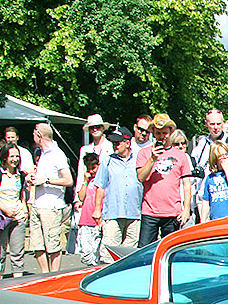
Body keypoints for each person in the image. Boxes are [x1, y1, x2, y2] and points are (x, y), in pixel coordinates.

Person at [135, 113, 191, 246]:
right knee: (144, 250)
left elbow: (186, 184)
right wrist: (152, 159)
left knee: (171, 248)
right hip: (150, 211)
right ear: (153, 133)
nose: (162, 137)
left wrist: (186, 209)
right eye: (158, 133)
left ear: (171, 132)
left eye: (165, 133)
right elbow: (141, 177)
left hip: (172, 212)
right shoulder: (144, 153)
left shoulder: (181, 155)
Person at [26, 122, 73, 273]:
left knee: (52, 245)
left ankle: (54, 276)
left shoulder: (57, 154)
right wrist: (32, 178)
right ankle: (44, 275)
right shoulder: (40, 153)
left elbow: (68, 180)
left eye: (34, 134)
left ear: (39, 134)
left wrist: (45, 181)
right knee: (37, 245)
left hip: (52, 206)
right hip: (37, 204)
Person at [93, 125, 144, 259]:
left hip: (134, 212)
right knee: (109, 250)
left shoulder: (139, 159)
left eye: (118, 142)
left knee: (130, 252)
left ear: (127, 143)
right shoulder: (107, 161)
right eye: (113, 143)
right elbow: (100, 186)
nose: (115, 145)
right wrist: (97, 209)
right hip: (113, 212)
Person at [0, 143, 29, 277]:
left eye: (17, 156)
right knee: (0, 252)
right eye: (11, 156)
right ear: (4, 158)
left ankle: (17, 279)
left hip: (18, 216)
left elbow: (22, 193)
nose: (15, 159)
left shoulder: (21, 175)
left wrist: (24, 209)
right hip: (2, 217)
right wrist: (4, 209)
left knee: (18, 252)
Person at [75, 153, 102, 266]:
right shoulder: (89, 181)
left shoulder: (103, 181)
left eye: (93, 168)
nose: (91, 171)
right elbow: (81, 197)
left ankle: (95, 270)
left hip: (97, 222)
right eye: (89, 168)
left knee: (96, 251)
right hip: (85, 220)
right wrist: (85, 181)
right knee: (86, 252)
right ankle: (90, 268)